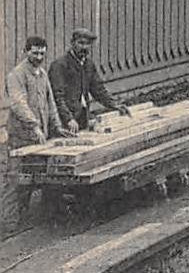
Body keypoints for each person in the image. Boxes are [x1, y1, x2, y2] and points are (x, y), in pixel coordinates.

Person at [6, 36, 68, 229]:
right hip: (22, 137)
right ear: (26, 52)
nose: (39, 56)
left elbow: (50, 104)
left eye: (42, 53)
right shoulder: (16, 75)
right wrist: (33, 126)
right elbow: (18, 104)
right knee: (17, 182)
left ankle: (43, 218)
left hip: (41, 135)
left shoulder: (42, 74)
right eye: (35, 52)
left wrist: (57, 127)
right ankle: (11, 225)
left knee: (42, 176)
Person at [49, 27, 128, 134]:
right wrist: (68, 119)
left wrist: (114, 104)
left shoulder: (88, 64)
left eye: (87, 44)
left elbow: (98, 89)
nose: (84, 47)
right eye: (80, 43)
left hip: (82, 115)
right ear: (72, 43)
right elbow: (57, 97)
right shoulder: (60, 65)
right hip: (63, 120)